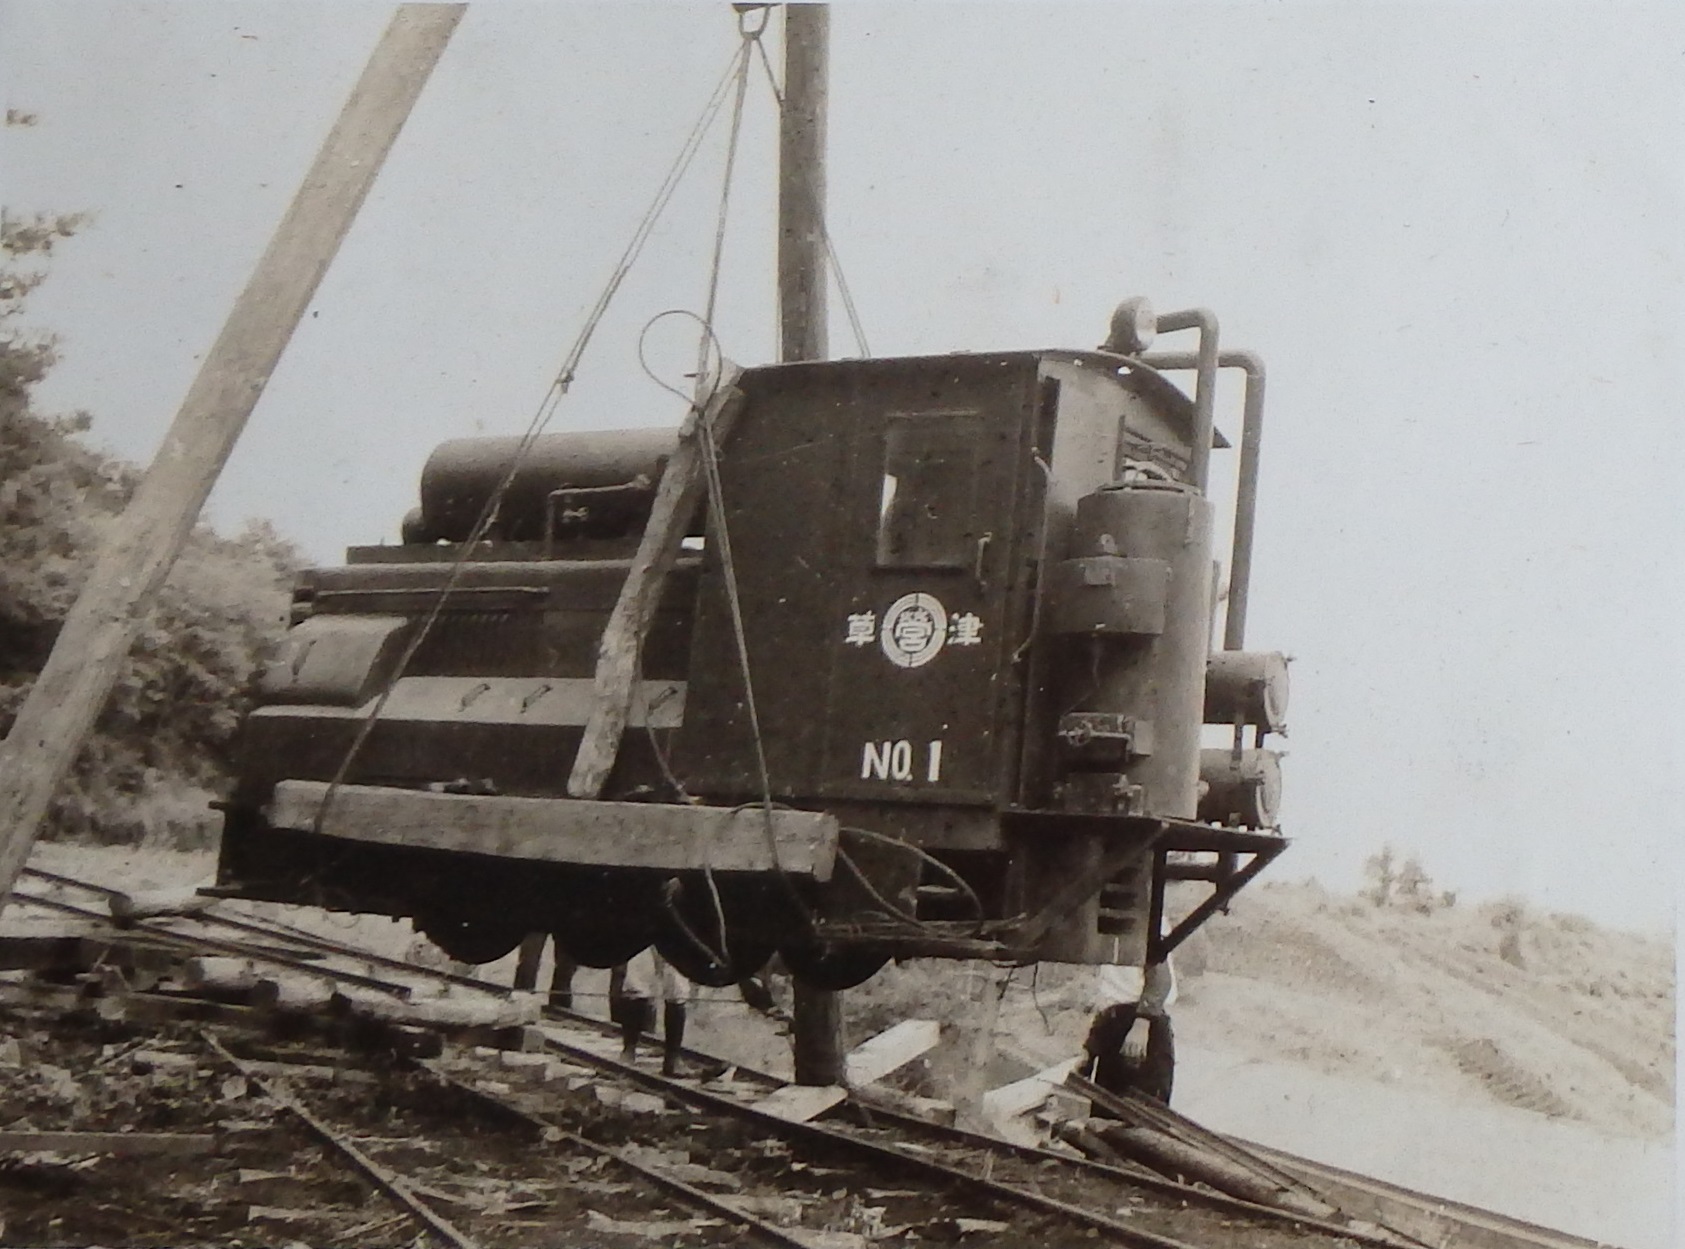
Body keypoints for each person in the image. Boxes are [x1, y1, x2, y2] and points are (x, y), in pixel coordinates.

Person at [1081, 957, 1176, 1106]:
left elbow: (1160, 979)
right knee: (1106, 1113)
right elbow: (1108, 996)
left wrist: (1142, 1023)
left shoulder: (1145, 936)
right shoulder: (1109, 943)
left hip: (1142, 1026)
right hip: (1113, 1024)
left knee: (1143, 1117)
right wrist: (1091, 1048)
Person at [612, 948, 697, 1077]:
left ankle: (672, 1059)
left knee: (677, 990)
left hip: (675, 936)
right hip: (644, 934)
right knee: (636, 985)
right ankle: (629, 1049)